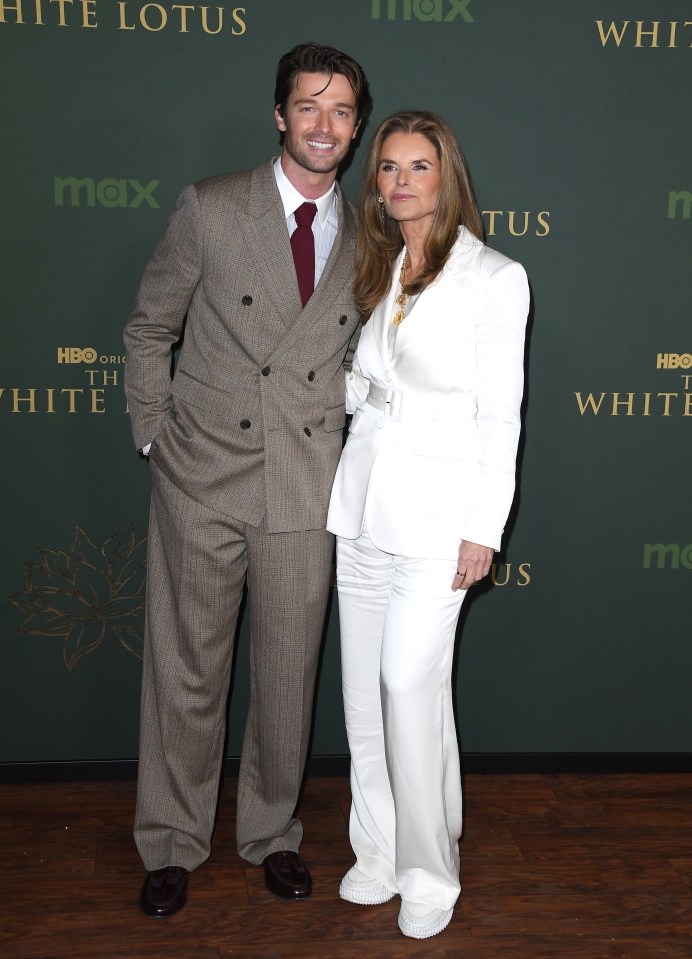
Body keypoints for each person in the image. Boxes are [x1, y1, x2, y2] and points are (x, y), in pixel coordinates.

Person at [124, 42, 370, 918]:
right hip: (203, 476)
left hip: (305, 484)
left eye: (341, 111)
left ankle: (272, 834)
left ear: (354, 126)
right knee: (186, 670)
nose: (324, 126)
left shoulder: (370, 229)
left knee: (286, 674)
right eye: (309, 106)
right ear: (279, 114)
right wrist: (157, 438)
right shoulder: (212, 207)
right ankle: (171, 840)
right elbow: (150, 329)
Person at [327, 111, 529, 940]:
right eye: (388, 167)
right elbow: (361, 381)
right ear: (374, 182)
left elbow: (503, 417)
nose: (402, 180)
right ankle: (376, 848)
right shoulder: (375, 267)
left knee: (411, 685)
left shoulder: (495, 277)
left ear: (446, 178)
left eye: (420, 166)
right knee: (364, 697)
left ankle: (428, 870)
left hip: (442, 520)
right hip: (363, 504)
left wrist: (485, 526)